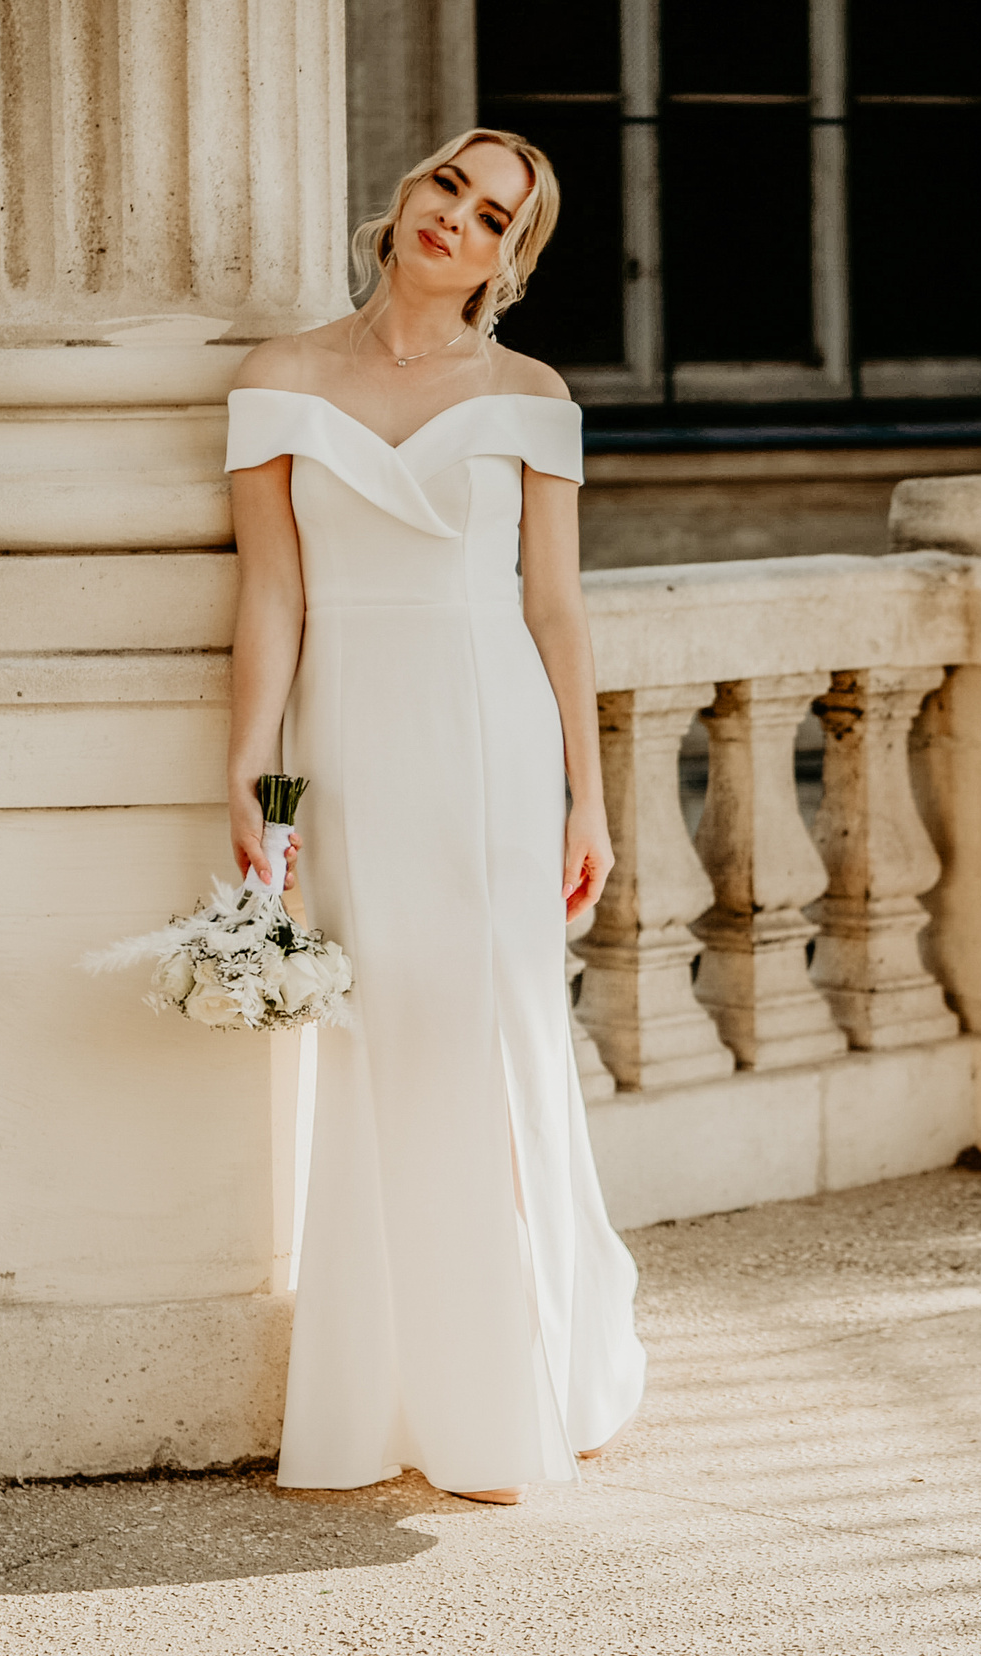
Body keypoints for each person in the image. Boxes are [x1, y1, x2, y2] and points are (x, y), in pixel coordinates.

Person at [223, 128, 646, 1502]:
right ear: (405, 196)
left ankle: (516, 1384)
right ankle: (383, 1393)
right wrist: (253, 768)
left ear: (510, 257)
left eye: (493, 214)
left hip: (493, 748)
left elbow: (555, 608)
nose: (456, 219)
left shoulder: (527, 392)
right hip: (352, 742)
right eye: (446, 187)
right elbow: (273, 595)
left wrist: (589, 793)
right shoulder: (279, 379)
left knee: (493, 1040)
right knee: (385, 1046)